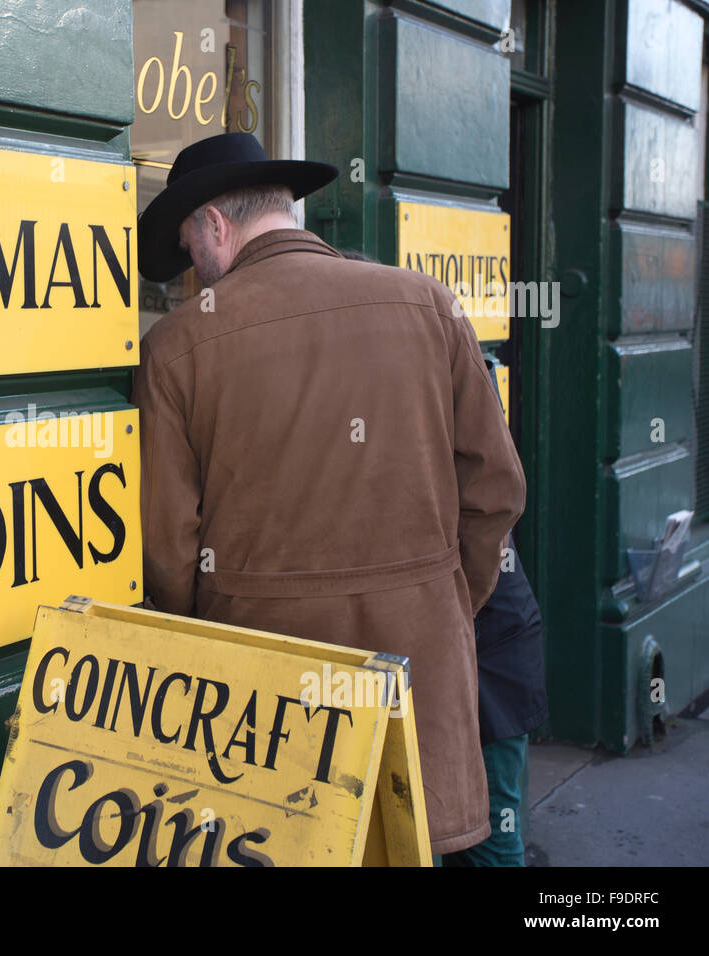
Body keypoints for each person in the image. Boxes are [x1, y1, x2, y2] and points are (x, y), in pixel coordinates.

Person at [132, 132, 527, 856]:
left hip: (263, 697)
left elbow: (169, 555)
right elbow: (496, 491)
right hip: (418, 679)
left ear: (216, 225)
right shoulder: (427, 303)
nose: (196, 276)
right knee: (411, 846)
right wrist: (434, 605)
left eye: (191, 251)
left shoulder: (174, 348)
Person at [338, 250, 550, 866]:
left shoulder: (442, 366)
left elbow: (492, 503)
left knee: (490, 833)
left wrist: (459, 603)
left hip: (490, 642)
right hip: (442, 643)